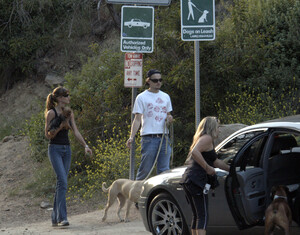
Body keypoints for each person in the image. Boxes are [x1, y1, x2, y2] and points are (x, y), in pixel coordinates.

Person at [44, 86, 92, 227]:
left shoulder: (69, 113)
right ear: (59, 98)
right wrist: (60, 126)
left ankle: (55, 218)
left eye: (68, 95)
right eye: (66, 95)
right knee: (63, 182)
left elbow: (75, 131)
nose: (68, 97)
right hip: (55, 149)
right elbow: (47, 134)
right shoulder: (51, 113)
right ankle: (62, 217)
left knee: (61, 183)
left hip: (67, 149)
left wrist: (86, 146)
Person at [181, 116, 230, 235]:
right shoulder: (207, 138)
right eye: (218, 127)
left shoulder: (204, 139)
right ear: (212, 127)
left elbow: (215, 161)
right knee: (203, 216)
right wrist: (207, 168)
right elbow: (195, 152)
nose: (219, 130)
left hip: (189, 179)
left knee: (197, 215)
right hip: (197, 180)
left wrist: (231, 168)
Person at [126, 69, 173, 180]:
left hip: (164, 138)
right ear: (148, 81)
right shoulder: (142, 97)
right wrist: (131, 137)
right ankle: (136, 194)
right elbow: (137, 119)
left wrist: (170, 118)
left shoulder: (166, 96)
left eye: (160, 80)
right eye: (155, 80)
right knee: (145, 170)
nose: (158, 82)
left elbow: (168, 114)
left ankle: (160, 195)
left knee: (164, 171)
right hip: (149, 138)